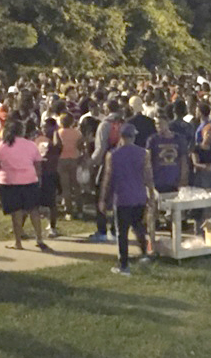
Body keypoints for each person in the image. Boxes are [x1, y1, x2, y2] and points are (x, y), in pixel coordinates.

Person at [98, 123, 154, 276]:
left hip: (122, 197)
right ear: (134, 136)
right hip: (139, 196)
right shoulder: (144, 153)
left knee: (122, 232)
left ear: (121, 137)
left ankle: (123, 265)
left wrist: (103, 199)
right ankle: (144, 254)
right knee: (139, 228)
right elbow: (148, 177)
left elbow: (107, 178)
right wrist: (151, 195)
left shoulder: (113, 155)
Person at [0, 121, 49, 251]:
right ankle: (39, 238)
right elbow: (38, 164)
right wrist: (38, 178)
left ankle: (18, 242)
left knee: (16, 213)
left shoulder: (1, 146)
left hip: (9, 182)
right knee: (34, 210)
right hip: (29, 180)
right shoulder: (31, 145)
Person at [90, 99, 122, 241]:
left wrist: (92, 162)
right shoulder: (124, 123)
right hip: (122, 163)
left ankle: (102, 230)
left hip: (106, 163)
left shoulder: (105, 125)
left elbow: (100, 148)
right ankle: (116, 230)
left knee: (100, 194)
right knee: (118, 196)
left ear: (107, 109)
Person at [146, 111, 188, 193]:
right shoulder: (153, 140)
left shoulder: (178, 138)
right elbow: (148, 159)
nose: (158, 126)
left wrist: (183, 177)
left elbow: (183, 159)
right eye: (156, 124)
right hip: (158, 179)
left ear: (167, 123)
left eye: (160, 123)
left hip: (174, 179)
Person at [34, 118, 62, 237]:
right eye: (43, 127)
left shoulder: (54, 140)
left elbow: (58, 147)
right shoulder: (38, 139)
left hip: (50, 173)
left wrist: (56, 132)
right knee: (33, 202)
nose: (44, 129)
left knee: (51, 203)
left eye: (47, 127)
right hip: (38, 173)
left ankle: (52, 227)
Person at [57, 113, 83, 220]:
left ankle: (69, 211)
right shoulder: (77, 133)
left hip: (62, 160)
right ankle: (80, 209)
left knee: (65, 187)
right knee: (76, 186)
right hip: (74, 159)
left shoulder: (58, 133)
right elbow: (80, 146)